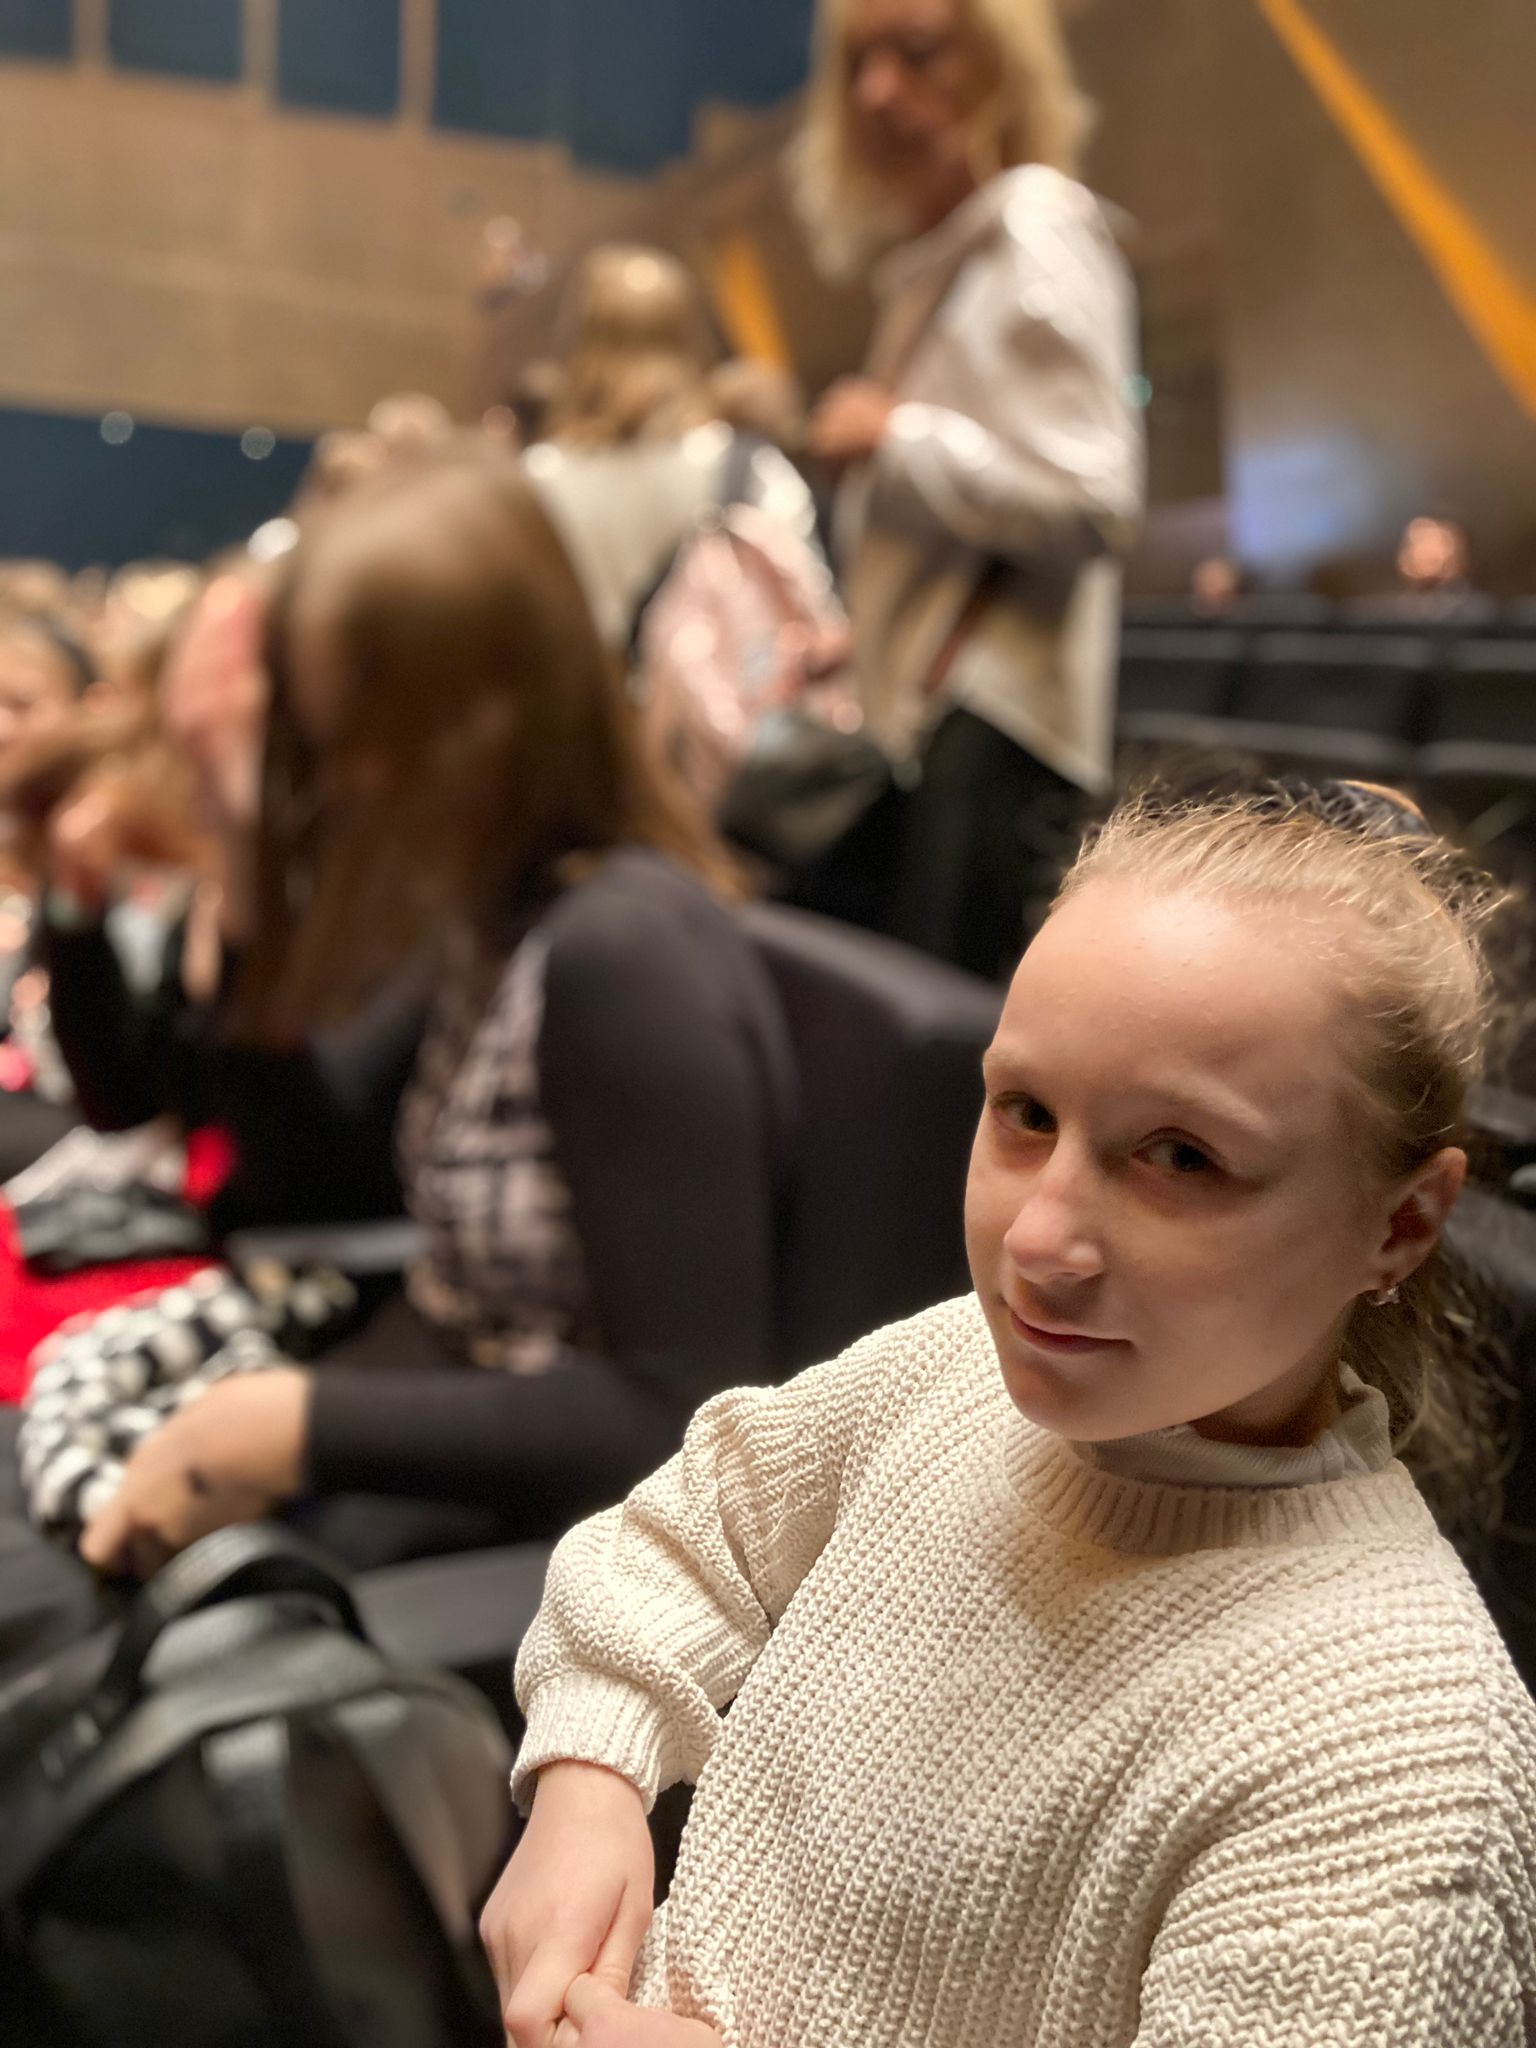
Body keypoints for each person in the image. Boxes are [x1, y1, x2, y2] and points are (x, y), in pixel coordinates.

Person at [483, 785, 1536, 2048]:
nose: (1037, 1239)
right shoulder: (955, 1373)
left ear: (1402, 1224)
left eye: (1181, 1156)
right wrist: (593, 1773)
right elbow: (689, 1531)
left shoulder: (1398, 1760)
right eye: (1028, 1114)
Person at [71, 445, 794, 1579]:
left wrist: (296, 1426)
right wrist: (241, 839)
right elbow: (309, 1165)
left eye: (357, 741)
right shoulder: (499, 908)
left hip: (542, 1548)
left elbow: (685, 1415)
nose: (342, 781)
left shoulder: (620, 952)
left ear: (481, 721)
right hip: (434, 1411)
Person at [799, 0, 1144, 980]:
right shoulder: (955, 254)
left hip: (987, 738)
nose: (877, 93)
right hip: (936, 728)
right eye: (859, 64)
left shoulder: (1034, 230)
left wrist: (896, 437)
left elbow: (1094, 502)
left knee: (938, 1044)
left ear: (1000, 63)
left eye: (918, 53)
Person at [525, 246, 819, 657]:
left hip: (589, 692)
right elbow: (807, 596)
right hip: (719, 693)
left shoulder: (536, 479)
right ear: (690, 336)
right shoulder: (745, 466)